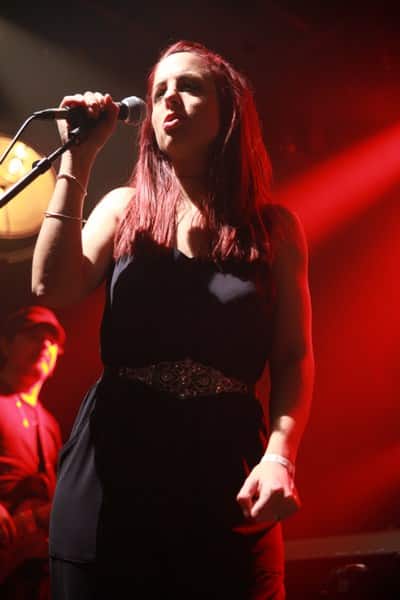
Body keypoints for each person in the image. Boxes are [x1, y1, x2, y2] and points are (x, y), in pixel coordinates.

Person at [31, 39, 314, 599]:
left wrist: (280, 456)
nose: (169, 100)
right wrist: (76, 161)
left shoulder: (275, 231)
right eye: (159, 90)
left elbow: (293, 357)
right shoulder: (124, 209)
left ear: (229, 111)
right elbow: (50, 286)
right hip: (116, 460)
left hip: (224, 461)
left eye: (189, 86)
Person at [0, 305, 65, 600]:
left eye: (52, 341)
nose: (44, 345)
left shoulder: (50, 425)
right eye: (33, 336)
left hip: (29, 571)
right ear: (6, 344)